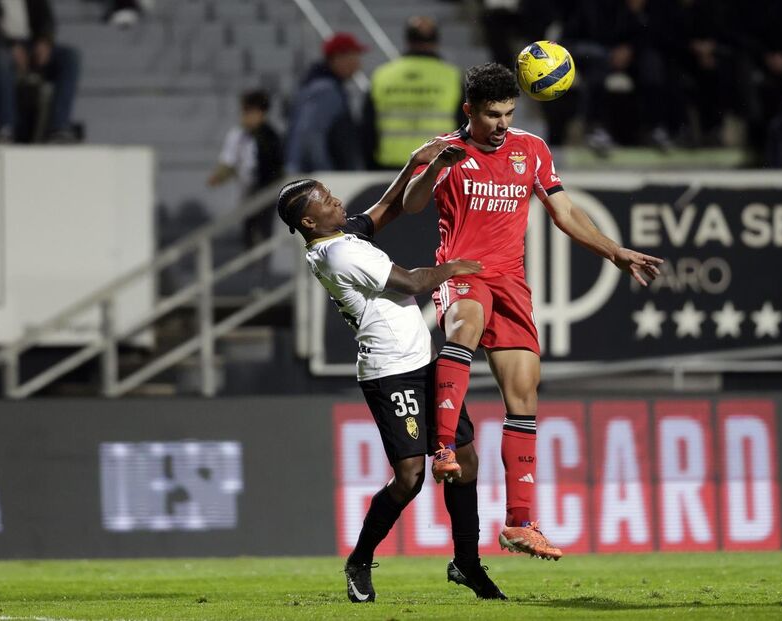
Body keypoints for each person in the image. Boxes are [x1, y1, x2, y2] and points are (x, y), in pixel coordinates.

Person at [402, 63, 663, 560]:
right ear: (469, 111)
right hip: (461, 271)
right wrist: (433, 166)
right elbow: (413, 205)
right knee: (465, 326)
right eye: (492, 115)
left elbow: (564, 212)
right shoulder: (447, 151)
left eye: (508, 113)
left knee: (524, 397)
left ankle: (519, 523)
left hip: (511, 283)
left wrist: (614, 251)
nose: (502, 123)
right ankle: (443, 447)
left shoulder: (533, 150)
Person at [275, 139, 507, 602]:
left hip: (424, 363)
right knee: (410, 477)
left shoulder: (338, 239)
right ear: (308, 222)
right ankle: (359, 561)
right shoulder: (342, 254)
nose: (337, 201)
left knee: (465, 459)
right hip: (391, 372)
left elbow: (387, 209)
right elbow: (413, 282)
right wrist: (456, 267)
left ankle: (467, 563)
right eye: (326, 200)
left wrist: (417, 164)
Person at [362, 16, 464, 170]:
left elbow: (367, 126)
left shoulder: (382, 75)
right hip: (437, 165)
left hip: (390, 166)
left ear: (408, 40)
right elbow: (465, 124)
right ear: (436, 42)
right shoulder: (452, 76)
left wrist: (370, 164)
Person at [0, 0, 81, 143]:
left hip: (29, 44)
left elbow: (46, 19)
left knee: (69, 57)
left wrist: (44, 41)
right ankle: (5, 127)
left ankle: (59, 128)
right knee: (1, 58)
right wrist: (10, 45)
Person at [208, 89, 284, 251]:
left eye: (250, 112)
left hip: (266, 192)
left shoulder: (271, 137)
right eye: (245, 112)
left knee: (264, 231)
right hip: (248, 191)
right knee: (249, 231)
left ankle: (263, 260)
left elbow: (277, 166)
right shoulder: (238, 135)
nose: (246, 117)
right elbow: (229, 161)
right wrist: (219, 177)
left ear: (261, 113)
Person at [285, 32, 368, 174]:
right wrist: (325, 176)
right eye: (354, 57)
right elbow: (312, 138)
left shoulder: (319, 86)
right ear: (338, 58)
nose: (358, 65)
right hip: (323, 177)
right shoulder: (325, 91)